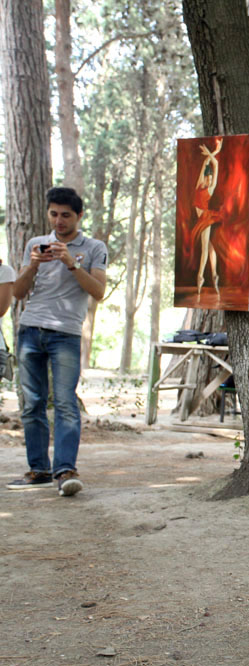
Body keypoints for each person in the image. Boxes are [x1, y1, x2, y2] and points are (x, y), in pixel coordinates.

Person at [6, 187, 108, 496]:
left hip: (66, 333)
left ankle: (65, 471)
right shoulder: (36, 244)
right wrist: (33, 265)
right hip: (30, 329)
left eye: (66, 215)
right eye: (54, 214)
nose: (59, 220)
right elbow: (19, 293)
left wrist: (72, 263)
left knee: (64, 402)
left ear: (78, 216)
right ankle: (39, 469)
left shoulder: (93, 247)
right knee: (32, 404)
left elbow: (98, 291)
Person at [192, 137, 223, 298]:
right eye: (208, 178)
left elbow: (215, 165)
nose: (209, 181)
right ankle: (215, 274)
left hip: (205, 218)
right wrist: (213, 153)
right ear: (204, 178)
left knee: (205, 248)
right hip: (201, 219)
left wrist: (214, 153)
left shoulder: (210, 189)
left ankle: (201, 276)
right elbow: (206, 164)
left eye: (211, 179)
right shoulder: (199, 185)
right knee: (210, 247)